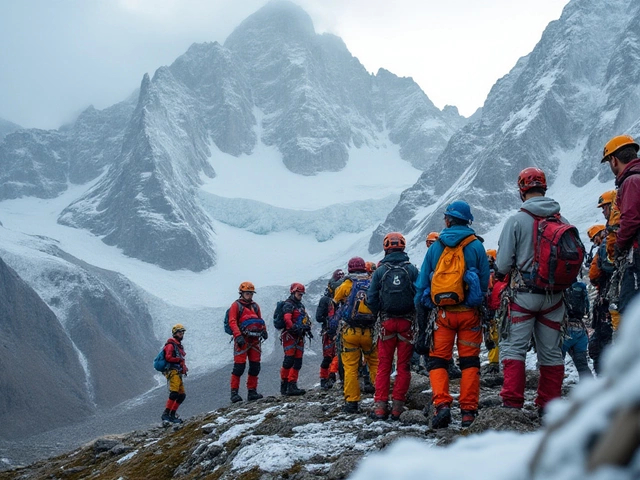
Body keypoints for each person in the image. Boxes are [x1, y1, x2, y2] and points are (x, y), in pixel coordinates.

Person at [495, 167, 571, 413]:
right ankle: (549, 406)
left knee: (514, 349)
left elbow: (504, 263)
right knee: (550, 353)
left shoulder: (516, 221)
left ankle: (512, 403)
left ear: (521, 190)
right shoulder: (562, 221)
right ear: (544, 187)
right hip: (554, 298)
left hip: (522, 297)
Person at [415, 200, 490, 428]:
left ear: (448, 219)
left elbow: (421, 283)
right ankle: (468, 411)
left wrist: (423, 309)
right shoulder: (476, 245)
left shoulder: (436, 246)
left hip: (443, 315)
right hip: (470, 314)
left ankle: (442, 405)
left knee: (438, 361)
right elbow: (485, 282)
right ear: (468, 220)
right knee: (469, 362)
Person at [366, 232, 419, 420]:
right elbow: (420, 294)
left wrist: (379, 312)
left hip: (386, 323)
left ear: (386, 248)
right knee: (403, 366)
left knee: (384, 366)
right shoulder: (411, 269)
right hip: (407, 323)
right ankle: (397, 408)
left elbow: (370, 298)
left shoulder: (380, 271)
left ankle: (380, 407)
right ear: (403, 247)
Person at [334, 256, 379, 413]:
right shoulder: (372, 282)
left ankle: (352, 402)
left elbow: (336, 299)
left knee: (351, 367)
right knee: (375, 364)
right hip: (370, 332)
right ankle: (381, 399)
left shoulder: (346, 284)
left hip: (350, 333)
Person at [601, 135, 640, 314]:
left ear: (614, 160)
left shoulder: (631, 181)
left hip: (637, 254)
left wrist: (619, 245)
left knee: (630, 309)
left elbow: (631, 219)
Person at [228, 282, 267, 403]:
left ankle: (252, 391)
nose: (249, 295)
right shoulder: (236, 306)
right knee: (239, 367)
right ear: (242, 293)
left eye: (250, 293)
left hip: (255, 340)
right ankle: (234, 393)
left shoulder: (255, 306)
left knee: (255, 367)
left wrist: (264, 330)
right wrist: (238, 335)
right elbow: (232, 321)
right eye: (247, 293)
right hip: (242, 340)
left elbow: (260, 319)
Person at [587, 218, 614, 374]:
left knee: (600, 344)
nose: (594, 242)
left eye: (594, 238)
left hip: (606, 298)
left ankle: (605, 378)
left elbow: (594, 274)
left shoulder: (604, 248)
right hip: (609, 296)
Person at [280, 283, 311, 396]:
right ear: (293, 292)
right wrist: (293, 328)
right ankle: (284, 384)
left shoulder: (300, 305)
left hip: (299, 336)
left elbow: (305, 318)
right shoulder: (288, 305)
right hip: (290, 336)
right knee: (289, 360)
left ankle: (292, 384)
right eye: (299, 294)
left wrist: (306, 327)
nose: (300, 296)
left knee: (298, 361)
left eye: (302, 294)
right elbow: (287, 319)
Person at [316, 270, 344, 389]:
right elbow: (319, 317)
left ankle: (332, 377)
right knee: (328, 356)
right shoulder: (325, 300)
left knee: (338, 354)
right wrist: (329, 320)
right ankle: (324, 379)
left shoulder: (342, 298)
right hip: (328, 332)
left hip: (339, 331)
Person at [562, 282, 592, 381]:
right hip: (580, 332)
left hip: (564, 331)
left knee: (554, 362)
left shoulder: (565, 292)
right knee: (582, 364)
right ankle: (589, 387)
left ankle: (550, 387)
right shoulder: (583, 295)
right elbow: (587, 309)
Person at [161, 324, 188, 424]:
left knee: (181, 395)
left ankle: (172, 414)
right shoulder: (171, 345)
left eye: (182, 332)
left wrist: (184, 368)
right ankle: (166, 414)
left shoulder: (178, 346)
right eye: (180, 332)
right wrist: (178, 359)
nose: (182, 334)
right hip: (173, 372)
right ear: (175, 333)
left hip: (178, 372)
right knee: (174, 393)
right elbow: (168, 357)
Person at [485, 249, 500, 375]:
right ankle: (494, 363)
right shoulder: (500, 273)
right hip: (494, 307)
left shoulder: (487, 273)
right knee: (493, 337)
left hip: (492, 308)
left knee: (492, 337)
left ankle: (494, 363)